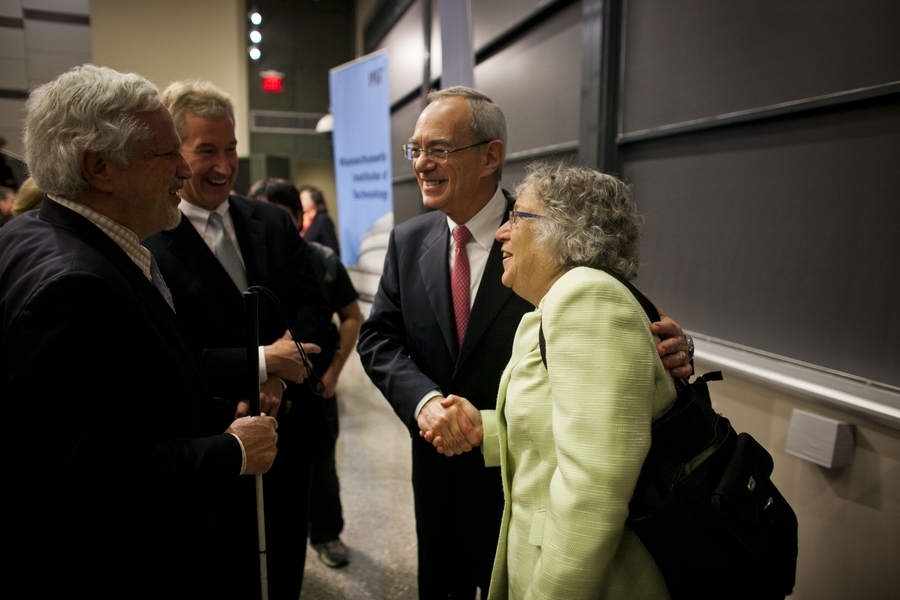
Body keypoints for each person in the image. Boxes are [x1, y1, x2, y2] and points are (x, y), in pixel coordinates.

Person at [357, 86, 693, 600]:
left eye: (439, 149)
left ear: (491, 155)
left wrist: (671, 349)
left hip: (538, 495)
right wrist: (428, 405)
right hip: (446, 465)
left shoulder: (555, 236)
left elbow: (623, 326)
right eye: (415, 149)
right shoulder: (409, 241)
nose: (422, 163)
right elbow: (378, 336)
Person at [0, 64, 278, 599]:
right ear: (99, 166)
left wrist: (212, 411)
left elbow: (122, 397)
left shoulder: (33, 234)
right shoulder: (76, 286)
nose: (183, 170)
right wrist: (231, 450)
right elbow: (93, 469)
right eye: (164, 154)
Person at [425, 163, 676, 599]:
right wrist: (484, 427)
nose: (502, 234)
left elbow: (593, 492)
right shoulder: (561, 302)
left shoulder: (586, 298)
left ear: (565, 229)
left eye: (517, 217)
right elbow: (565, 429)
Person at [144, 80, 331, 600]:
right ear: (174, 153)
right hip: (213, 446)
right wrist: (258, 364)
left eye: (230, 149)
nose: (224, 166)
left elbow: (316, 311)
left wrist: (280, 369)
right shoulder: (148, 240)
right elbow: (171, 355)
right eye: (206, 151)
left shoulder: (270, 220)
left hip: (290, 439)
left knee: (287, 561)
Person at [251, 177, 363, 568]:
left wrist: (333, 372)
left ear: (299, 218)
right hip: (263, 393)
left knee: (321, 462)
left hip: (313, 388)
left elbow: (350, 316)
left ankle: (327, 534)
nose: (269, 225)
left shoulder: (321, 260)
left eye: (278, 216)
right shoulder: (248, 258)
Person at [300, 184, 340, 255]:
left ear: (314, 200)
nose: (301, 202)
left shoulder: (323, 219)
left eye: (304, 199)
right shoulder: (301, 220)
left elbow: (332, 247)